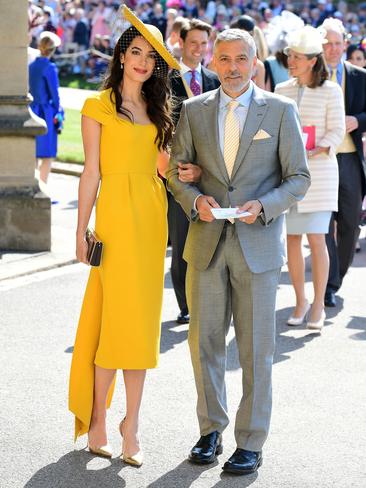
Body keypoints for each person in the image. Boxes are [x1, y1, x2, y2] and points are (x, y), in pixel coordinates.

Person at [166, 28, 310, 475]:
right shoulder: (192, 110)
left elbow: (298, 179)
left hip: (259, 247)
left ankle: (250, 441)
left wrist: (264, 207)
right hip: (206, 245)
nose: (231, 68)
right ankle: (210, 432)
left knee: (254, 350)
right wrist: (195, 200)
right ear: (213, 61)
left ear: (255, 62)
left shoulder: (281, 112)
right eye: (224, 59)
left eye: (241, 59)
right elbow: (176, 172)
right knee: (203, 343)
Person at [69, 6, 180, 466]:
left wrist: (177, 164)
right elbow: (90, 172)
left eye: (150, 57)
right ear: (120, 54)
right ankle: (98, 419)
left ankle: (130, 426)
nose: (141, 62)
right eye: (135, 52)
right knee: (113, 322)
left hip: (151, 219)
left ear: (156, 66)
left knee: (139, 326)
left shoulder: (159, 108)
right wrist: (81, 229)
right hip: (114, 216)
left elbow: (163, 171)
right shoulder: (97, 105)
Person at [275, 26, 345, 331]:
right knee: (291, 238)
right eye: (290, 55)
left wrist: (317, 148)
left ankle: (318, 304)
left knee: (317, 238)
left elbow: (338, 131)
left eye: (298, 57)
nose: (291, 61)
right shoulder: (281, 90)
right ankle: (300, 300)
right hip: (289, 175)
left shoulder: (332, 90)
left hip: (320, 174)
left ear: (313, 61)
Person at [168, 18, 220, 324]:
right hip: (179, 173)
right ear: (182, 43)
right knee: (182, 239)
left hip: (210, 173)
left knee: (209, 239)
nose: (199, 49)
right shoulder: (167, 79)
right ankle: (185, 304)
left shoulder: (214, 80)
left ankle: (206, 299)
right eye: (193, 43)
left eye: (204, 43)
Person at [321, 18, 366, 307]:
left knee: (349, 223)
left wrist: (357, 120)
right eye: (328, 44)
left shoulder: (360, 76)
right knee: (323, 223)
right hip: (320, 160)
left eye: (338, 44)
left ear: (345, 45)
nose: (334, 49)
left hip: (349, 159)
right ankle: (328, 285)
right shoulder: (310, 76)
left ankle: (337, 275)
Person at [29, 31, 62, 183]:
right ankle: (44, 189)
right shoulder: (50, 67)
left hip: (31, 110)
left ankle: (34, 187)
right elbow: (55, 96)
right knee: (47, 154)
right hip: (46, 113)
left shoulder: (31, 65)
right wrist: (59, 112)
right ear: (53, 50)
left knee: (34, 153)